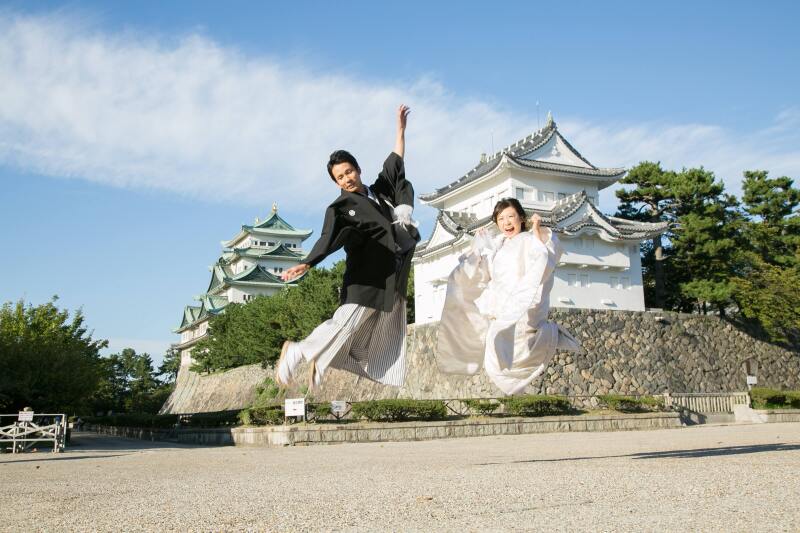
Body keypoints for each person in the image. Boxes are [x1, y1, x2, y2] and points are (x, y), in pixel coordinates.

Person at [276, 104, 419, 389]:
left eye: (349, 171)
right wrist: (308, 262)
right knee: (346, 322)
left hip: (389, 277)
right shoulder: (341, 207)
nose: (347, 179)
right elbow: (327, 237)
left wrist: (400, 130)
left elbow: (396, 162)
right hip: (365, 277)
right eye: (340, 177)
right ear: (336, 182)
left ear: (358, 169)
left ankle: (322, 359)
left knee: (368, 340)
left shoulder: (379, 192)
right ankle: (299, 351)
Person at [436, 198, 582, 395]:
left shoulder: (530, 240)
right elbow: (481, 273)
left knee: (516, 350)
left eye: (510, 216)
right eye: (500, 218)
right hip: (501, 308)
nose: (506, 222)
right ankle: (549, 338)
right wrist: (477, 249)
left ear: (521, 218)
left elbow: (545, 257)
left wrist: (537, 230)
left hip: (524, 302)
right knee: (494, 358)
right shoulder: (498, 246)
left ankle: (548, 335)